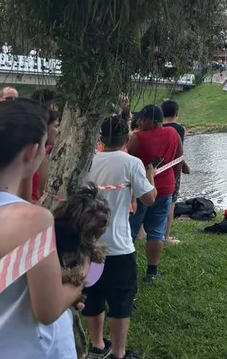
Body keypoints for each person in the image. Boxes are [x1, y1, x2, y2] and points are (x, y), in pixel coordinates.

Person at [0, 98, 84, 358]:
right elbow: (48, 310)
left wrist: (25, 175)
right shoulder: (33, 221)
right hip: (24, 347)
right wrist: (79, 279)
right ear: (32, 152)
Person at [84, 116, 157, 359]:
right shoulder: (132, 163)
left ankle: (96, 346)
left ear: (101, 139)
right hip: (119, 248)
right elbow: (149, 199)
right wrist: (151, 176)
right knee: (121, 299)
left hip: (90, 247)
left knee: (92, 292)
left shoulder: (88, 161)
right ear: (127, 139)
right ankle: (118, 352)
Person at [127, 104, 183, 283]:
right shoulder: (173, 134)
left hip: (142, 190)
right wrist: (173, 181)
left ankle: (128, 271)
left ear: (150, 120)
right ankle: (152, 272)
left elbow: (129, 162)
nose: (139, 122)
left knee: (131, 231)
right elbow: (179, 160)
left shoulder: (137, 138)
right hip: (166, 189)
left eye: (142, 119)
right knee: (157, 231)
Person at [161, 100, 190, 245]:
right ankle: (166, 236)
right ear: (176, 115)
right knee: (171, 202)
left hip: (154, 169)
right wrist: (185, 166)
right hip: (172, 170)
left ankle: (143, 233)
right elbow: (178, 151)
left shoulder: (156, 127)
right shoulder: (179, 129)